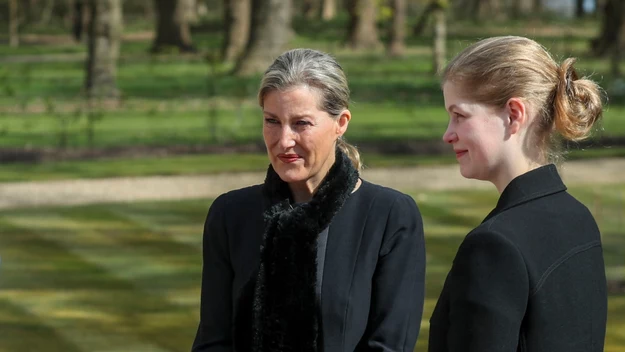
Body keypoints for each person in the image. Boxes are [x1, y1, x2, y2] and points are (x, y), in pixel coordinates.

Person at [192, 48, 426, 352]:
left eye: (301, 123)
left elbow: (390, 344)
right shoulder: (230, 214)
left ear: (340, 123)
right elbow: (213, 341)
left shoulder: (390, 216)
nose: (284, 140)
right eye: (272, 121)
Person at [428, 36, 608, 352]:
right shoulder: (579, 218)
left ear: (513, 114)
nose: (447, 134)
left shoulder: (494, 245)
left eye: (460, 115)